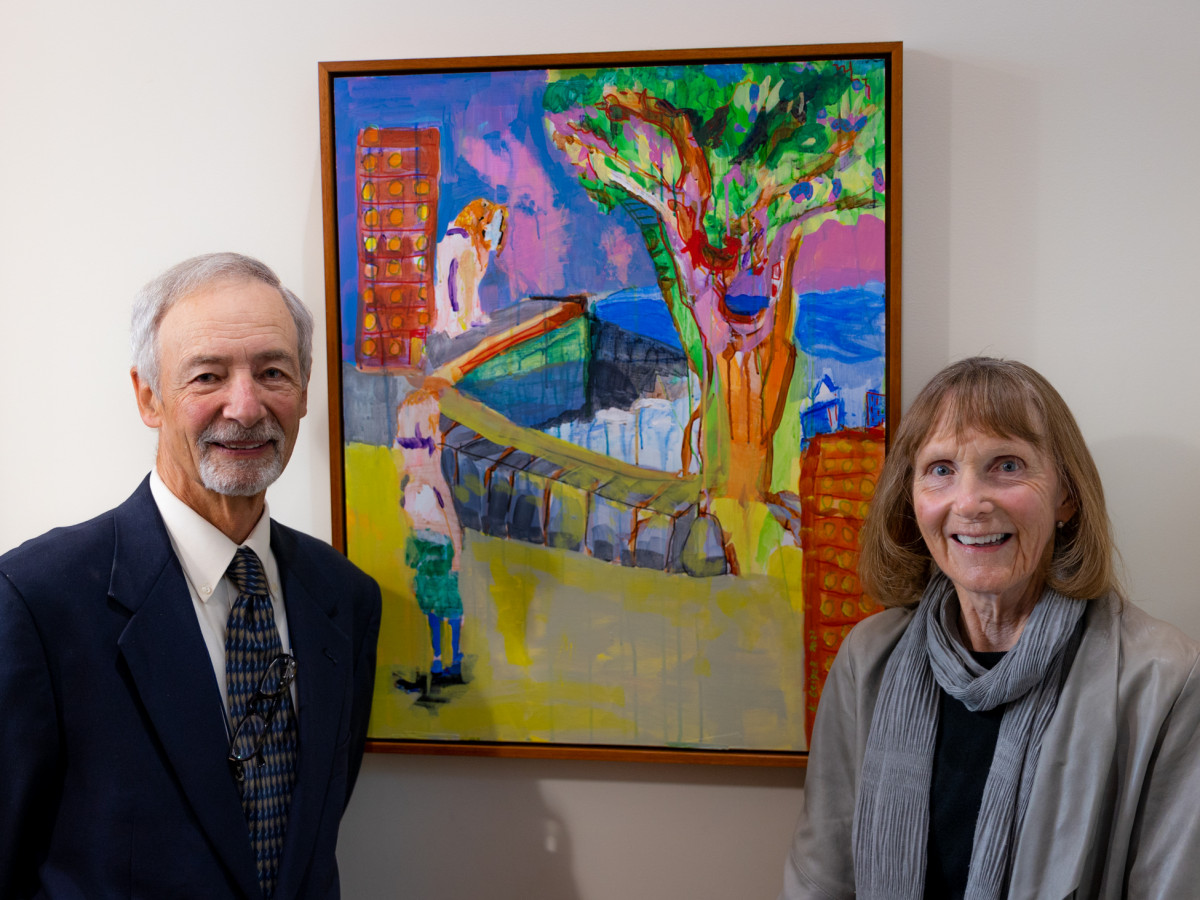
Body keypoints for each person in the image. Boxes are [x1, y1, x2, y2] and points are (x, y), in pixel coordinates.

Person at [0, 253, 382, 899]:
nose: (245, 405)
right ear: (149, 396)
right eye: (207, 375)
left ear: (305, 389)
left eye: (272, 372)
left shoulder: (345, 597)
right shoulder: (36, 599)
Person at [780, 357, 1200, 900]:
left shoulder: (1165, 680)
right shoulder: (868, 659)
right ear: (912, 498)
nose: (970, 503)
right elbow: (820, 879)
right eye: (940, 470)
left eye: (1007, 465)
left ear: (1065, 497)